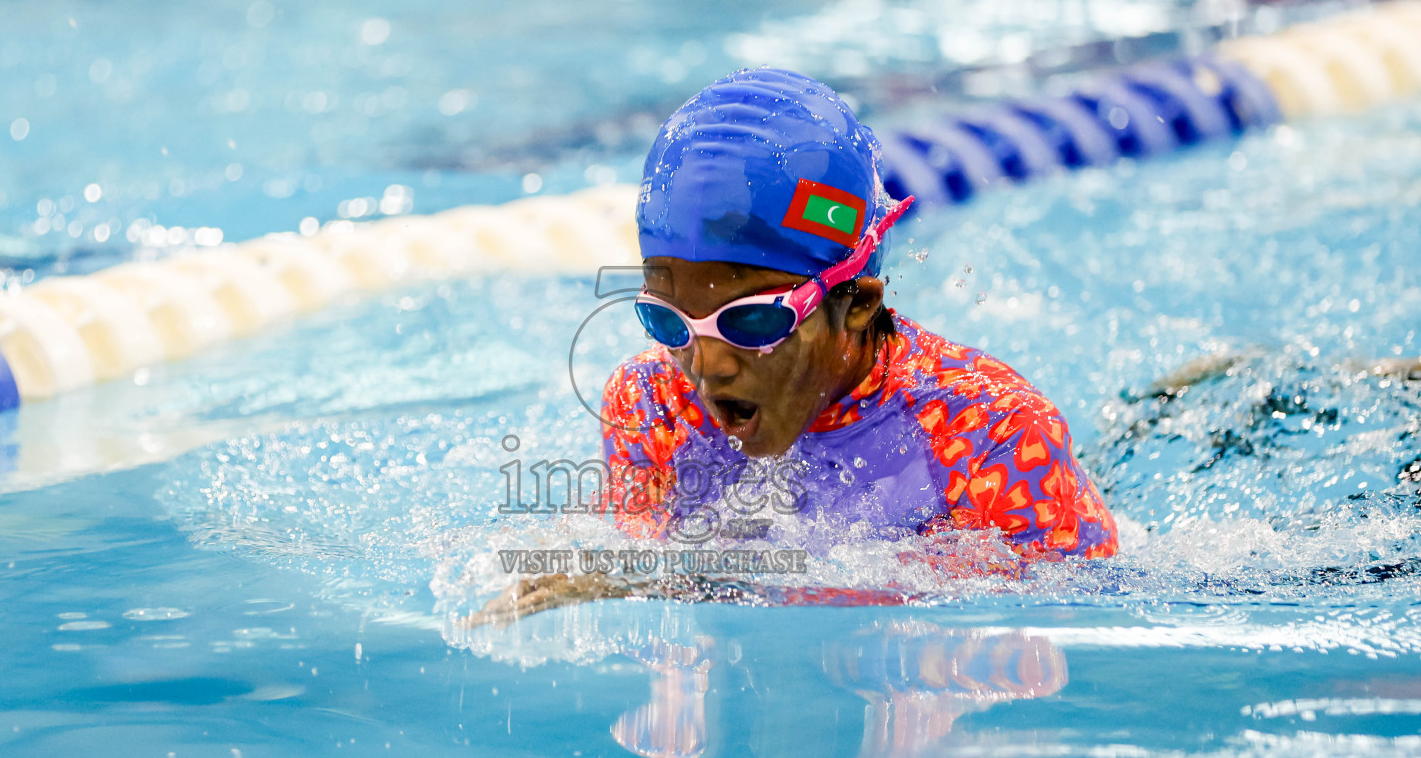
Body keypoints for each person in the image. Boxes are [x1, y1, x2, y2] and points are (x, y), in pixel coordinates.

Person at [467, 69, 1117, 627]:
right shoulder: (652, 405)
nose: (707, 367)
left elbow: (1076, 621)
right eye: (669, 323)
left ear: (857, 304)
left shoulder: (992, 434)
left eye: (751, 322)